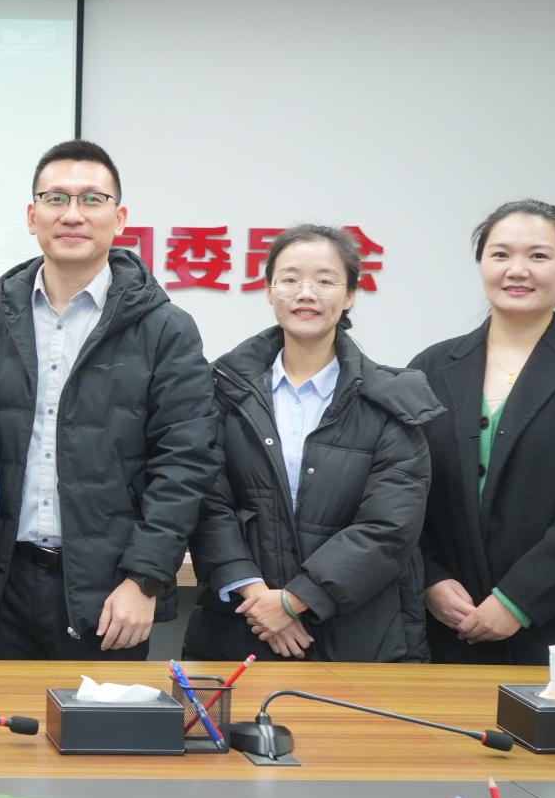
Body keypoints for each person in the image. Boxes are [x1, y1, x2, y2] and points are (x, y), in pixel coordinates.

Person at [0, 140, 219, 660]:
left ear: (119, 219)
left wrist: (145, 578)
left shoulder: (165, 329)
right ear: (31, 216)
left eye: (92, 199)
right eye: (55, 198)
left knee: (103, 717)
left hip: (111, 593)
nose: (72, 214)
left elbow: (186, 462)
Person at [184, 225, 441, 663]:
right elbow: (206, 499)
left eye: (325, 280)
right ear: (268, 290)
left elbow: (390, 525)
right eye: (290, 279)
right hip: (240, 627)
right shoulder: (222, 389)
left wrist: (294, 601)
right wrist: (258, 598)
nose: (306, 293)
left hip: (359, 635)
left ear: (350, 295)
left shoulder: (390, 401)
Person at [410, 199, 555, 664]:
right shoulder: (431, 367)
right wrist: (429, 579)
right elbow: (400, 489)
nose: (517, 270)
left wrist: (517, 600)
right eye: (500, 254)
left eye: (538, 256)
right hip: (447, 620)